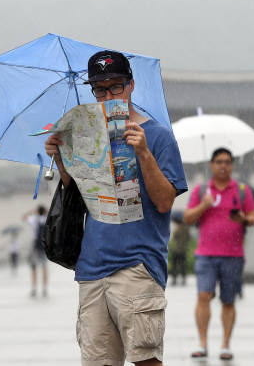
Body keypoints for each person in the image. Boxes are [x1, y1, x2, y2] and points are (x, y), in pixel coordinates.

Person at [44, 49, 188, 366]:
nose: (108, 95)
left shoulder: (158, 136)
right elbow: (79, 198)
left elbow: (165, 201)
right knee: (97, 361)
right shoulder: (85, 137)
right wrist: (61, 159)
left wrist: (144, 153)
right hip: (91, 268)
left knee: (145, 359)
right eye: (100, 90)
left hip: (137, 265)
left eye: (116, 87)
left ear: (131, 85)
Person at [183, 147, 254, 361]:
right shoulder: (201, 191)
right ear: (211, 165)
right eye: (219, 162)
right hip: (205, 254)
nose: (223, 166)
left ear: (232, 165)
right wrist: (204, 205)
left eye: (227, 162)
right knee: (203, 296)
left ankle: (225, 344)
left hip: (233, 255)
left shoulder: (242, 190)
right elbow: (188, 218)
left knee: (228, 300)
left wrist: (244, 218)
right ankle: (203, 343)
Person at [23, 205, 48, 297]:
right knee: (44, 267)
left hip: (35, 246)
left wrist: (33, 211)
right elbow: (55, 216)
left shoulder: (34, 219)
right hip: (44, 245)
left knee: (34, 267)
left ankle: (34, 288)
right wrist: (47, 211)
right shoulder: (46, 219)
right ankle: (44, 288)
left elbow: (24, 217)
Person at [169, 219, 191, 286]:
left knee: (175, 265)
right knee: (182, 265)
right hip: (183, 250)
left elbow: (174, 238)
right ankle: (183, 280)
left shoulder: (178, 230)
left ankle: (174, 280)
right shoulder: (186, 230)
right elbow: (188, 239)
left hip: (176, 250)